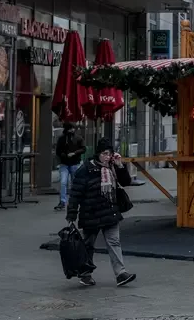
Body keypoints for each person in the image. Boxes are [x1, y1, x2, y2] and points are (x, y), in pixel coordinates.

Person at [65, 138, 135, 287]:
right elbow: (76, 193)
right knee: (88, 245)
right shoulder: (85, 170)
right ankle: (85, 275)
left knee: (114, 242)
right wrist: (72, 213)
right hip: (91, 214)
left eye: (109, 153)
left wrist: (119, 165)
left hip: (110, 212)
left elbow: (126, 182)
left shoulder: (112, 167)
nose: (107, 157)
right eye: (104, 153)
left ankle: (121, 274)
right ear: (98, 154)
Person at [54, 123, 86, 211]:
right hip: (65, 163)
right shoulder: (62, 139)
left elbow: (83, 149)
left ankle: (73, 201)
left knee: (72, 183)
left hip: (74, 163)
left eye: (72, 128)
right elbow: (58, 151)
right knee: (64, 182)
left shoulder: (78, 138)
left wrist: (74, 153)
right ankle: (63, 201)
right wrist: (64, 155)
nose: (72, 130)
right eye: (70, 129)